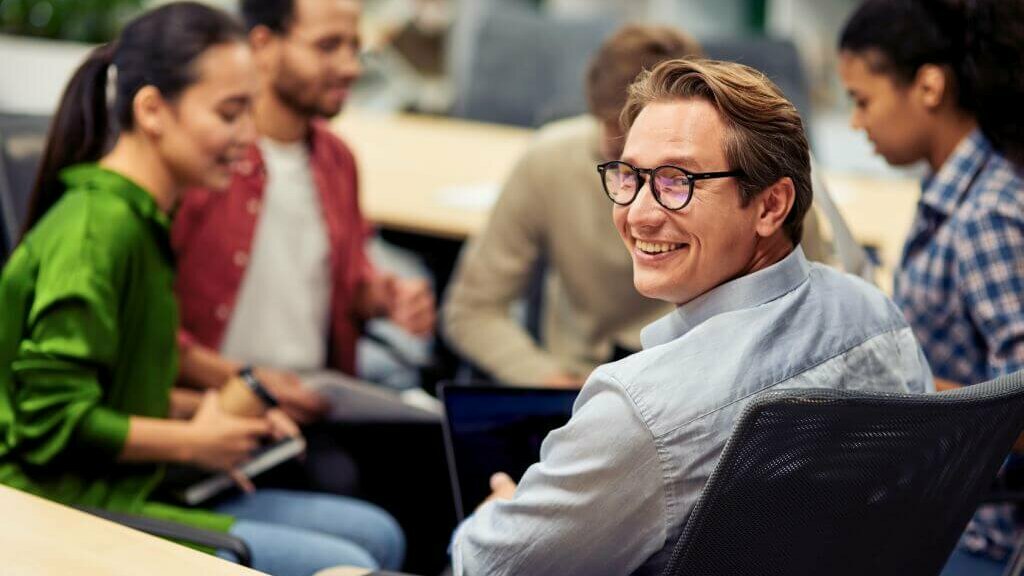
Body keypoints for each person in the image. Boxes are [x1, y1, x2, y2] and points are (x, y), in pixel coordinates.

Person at [450, 58, 933, 575]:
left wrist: (493, 514)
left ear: (771, 207)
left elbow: (490, 566)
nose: (638, 213)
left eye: (676, 181)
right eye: (628, 176)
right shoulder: (876, 316)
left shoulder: (641, 413)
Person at [0, 4, 403, 575]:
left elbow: (120, 388)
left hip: (127, 484)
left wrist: (220, 415)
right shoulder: (99, 231)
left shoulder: (142, 218)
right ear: (152, 111)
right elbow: (52, 424)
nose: (247, 137)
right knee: (353, 558)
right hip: (77, 505)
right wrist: (193, 442)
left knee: (377, 535)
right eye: (230, 113)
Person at [442, 24, 837, 388]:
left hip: (718, 385)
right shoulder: (551, 161)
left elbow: (818, 307)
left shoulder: (758, 184)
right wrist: (548, 380)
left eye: (674, 175)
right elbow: (471, 309)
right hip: (585, 382)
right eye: (624, 163)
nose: (641, 211)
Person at [172, 0, 435, 423]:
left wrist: (385, 297)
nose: (350, 67)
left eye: (355, 48)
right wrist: (249, 383)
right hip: (219, 411)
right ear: (263, 45)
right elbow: (149, 331)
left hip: (316, 403)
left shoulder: (337, 160)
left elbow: (342, 283)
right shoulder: (207, 159)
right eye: (328, 46)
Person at [838, 1, 1024, 573]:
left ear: (929, 86)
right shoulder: (953, 193)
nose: (855, 122)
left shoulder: (985, 215)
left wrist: (899, 385)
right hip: (940, 514)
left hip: (980, 537)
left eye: (863, 100)